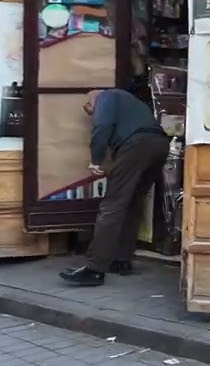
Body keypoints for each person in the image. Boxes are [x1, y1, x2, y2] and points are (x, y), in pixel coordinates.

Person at [59, 88, 171, 287]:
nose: (90, 112)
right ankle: (122, 260)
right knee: (132, 204)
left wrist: (96, 159)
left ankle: (94, 269)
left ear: (93, 99)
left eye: (89, 108)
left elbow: (102, 126)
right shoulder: (129, 101)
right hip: (160, 144)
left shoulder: (105, 97)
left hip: (137, 145)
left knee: (112, 206)